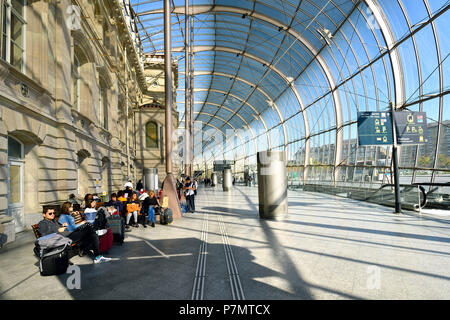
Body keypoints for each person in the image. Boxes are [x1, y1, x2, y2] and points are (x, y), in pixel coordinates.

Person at [38, 206, 111, 264]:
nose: (52, 215)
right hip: (63, 240)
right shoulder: (42, 223)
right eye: (50, 213)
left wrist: (62, 226)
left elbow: (59, 229)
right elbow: (45, 236)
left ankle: (96, 255)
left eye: (53, 213)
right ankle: (97, 254)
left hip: (68, 235)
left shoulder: (53, 221)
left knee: (91, 233)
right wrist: (58, 231)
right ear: (43, 214)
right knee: (89, 229)